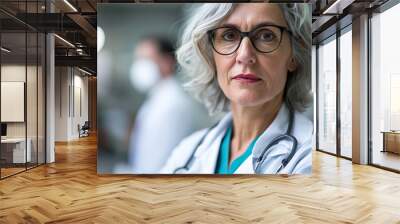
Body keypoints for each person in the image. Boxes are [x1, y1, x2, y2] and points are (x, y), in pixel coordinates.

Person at [161, 3, 313, 174]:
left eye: (266, 36)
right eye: (229, 35)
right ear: (211, 55)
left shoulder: (311, 155)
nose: (244, 55)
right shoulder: (186, 152)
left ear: (293, 55)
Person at [128, 36, 211, 173]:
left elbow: (161, 160)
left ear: (167, 62)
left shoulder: (173, 104)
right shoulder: (158, 98)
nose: (140, 66)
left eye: (146, 60)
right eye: (138, 59)